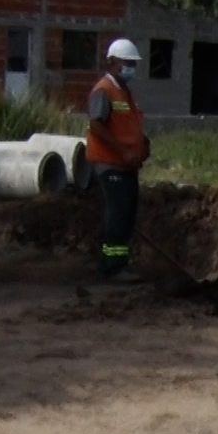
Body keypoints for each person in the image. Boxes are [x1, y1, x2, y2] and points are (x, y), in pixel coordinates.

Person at [85, 38, 150, 282]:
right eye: (127, 62)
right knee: (118, 213)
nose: (131, 67)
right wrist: (123, 151)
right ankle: (111, 266)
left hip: (127, 165)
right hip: (110, 164)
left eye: (133, 63)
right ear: (111, 62)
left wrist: (142, 146)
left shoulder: (125, 92)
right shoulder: (104, 90)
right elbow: (96, 125)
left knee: (127, 214)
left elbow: (128, 126)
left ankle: (119, 262)